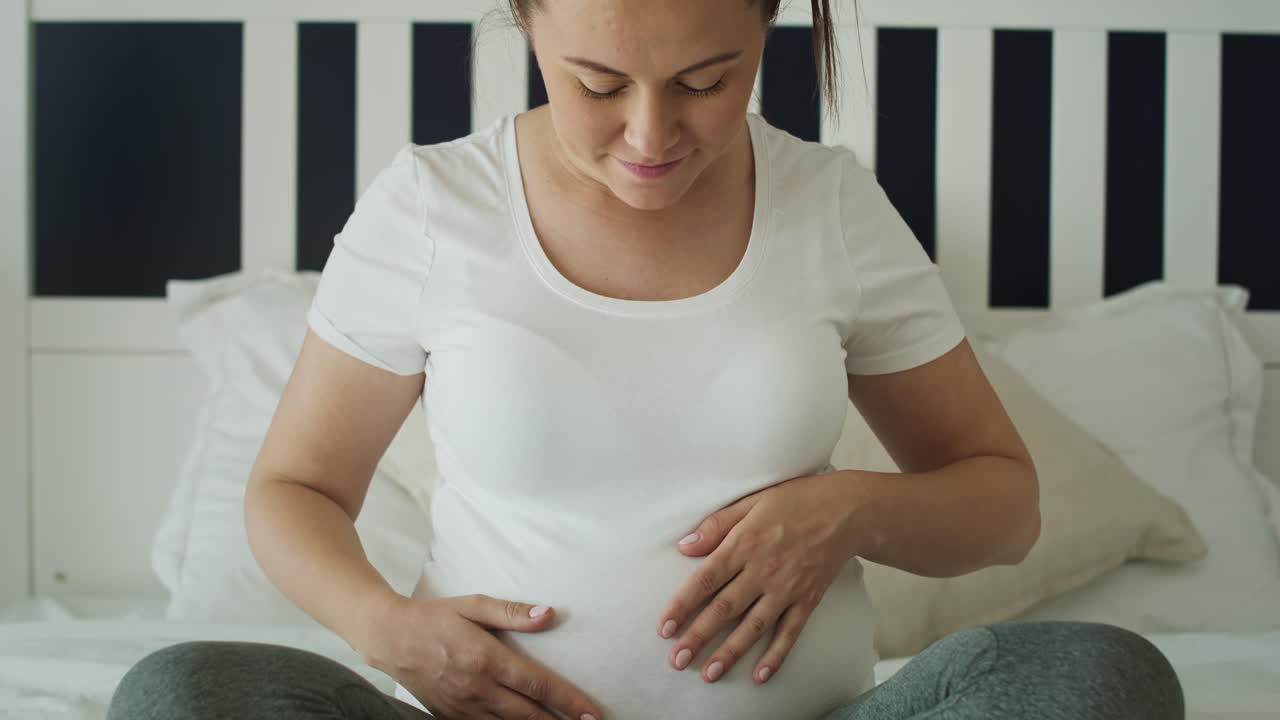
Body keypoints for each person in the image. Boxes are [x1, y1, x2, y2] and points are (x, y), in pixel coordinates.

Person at [107, 0, 1186, 718]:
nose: (649, 134)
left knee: (1100, 679)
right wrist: (382, 626)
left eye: (707, 80)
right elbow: (294, 489)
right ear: (526, 20)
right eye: (597, 83)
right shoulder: (433, 206)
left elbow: (1002, 507)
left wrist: (850, 508)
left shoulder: (830, 206)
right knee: (181, 694)